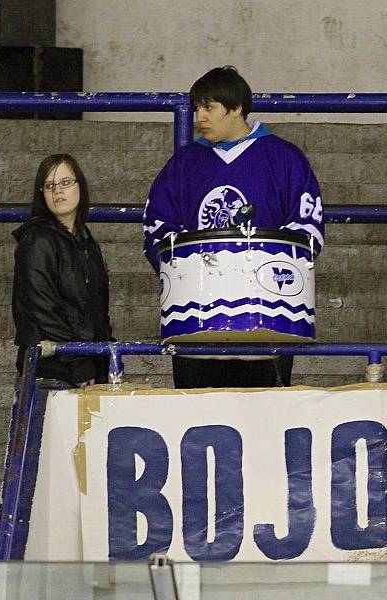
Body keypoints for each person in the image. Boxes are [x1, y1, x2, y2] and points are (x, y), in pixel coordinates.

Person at [143, 65, 324, 388]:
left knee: (264, 428)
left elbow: (306, 232)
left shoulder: (285, 159)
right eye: (197, 107)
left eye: (209, 108)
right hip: (195, 331)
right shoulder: (184, 164)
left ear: (236, 108)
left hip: (266, 331)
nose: (199, 117)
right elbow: (158, 229)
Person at [12, 154, 112, 394]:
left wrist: (104, 359)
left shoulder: (87, 242)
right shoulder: (37, 239)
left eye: (65, 182)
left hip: (87, 368)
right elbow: (42, 309)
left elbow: (97, 311)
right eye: (49, 185)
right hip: (49, 371)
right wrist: (78, 361)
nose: (57, 191)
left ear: (81, 186)